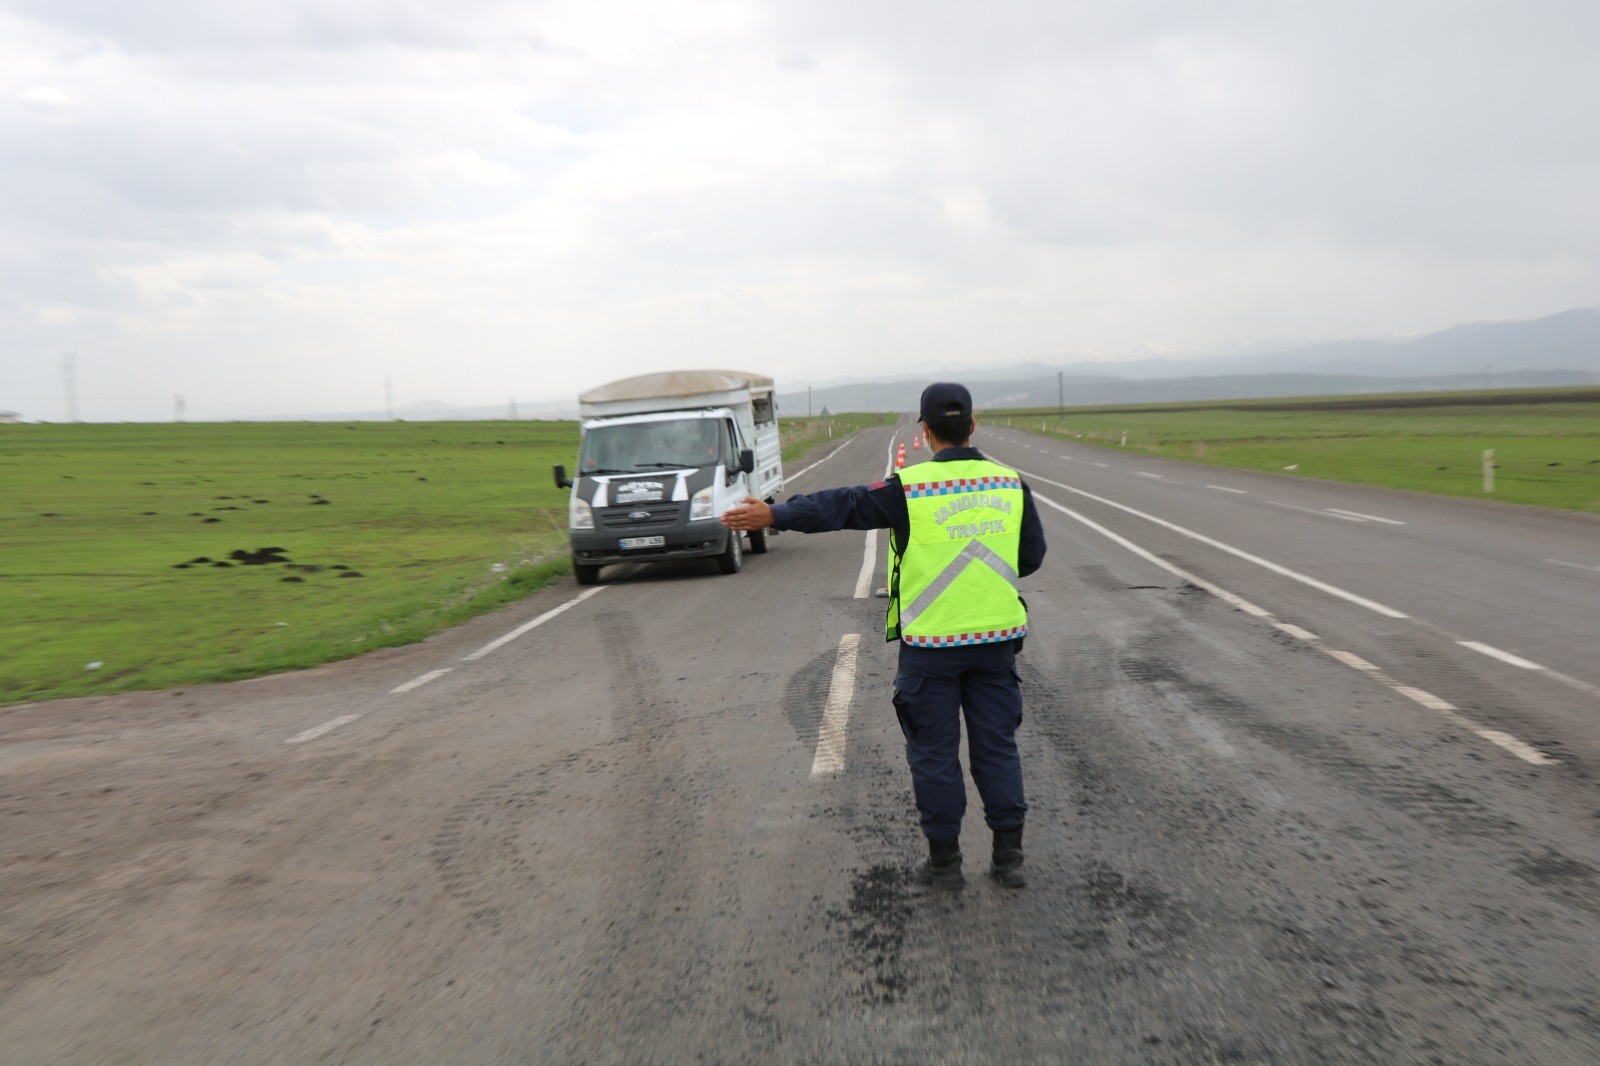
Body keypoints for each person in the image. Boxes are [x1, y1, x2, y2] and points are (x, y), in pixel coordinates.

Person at [721, 383, 1046, 888]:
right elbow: (1030, 559)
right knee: (997, 748)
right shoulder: (1010, 483)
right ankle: (1009, 860)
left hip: (932, 650)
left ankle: (945, 866)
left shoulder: (910, 488)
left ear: (925, 431)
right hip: (996, 643)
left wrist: (775, 513)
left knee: (935, 755)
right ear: (973, 426)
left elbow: (843, 506)